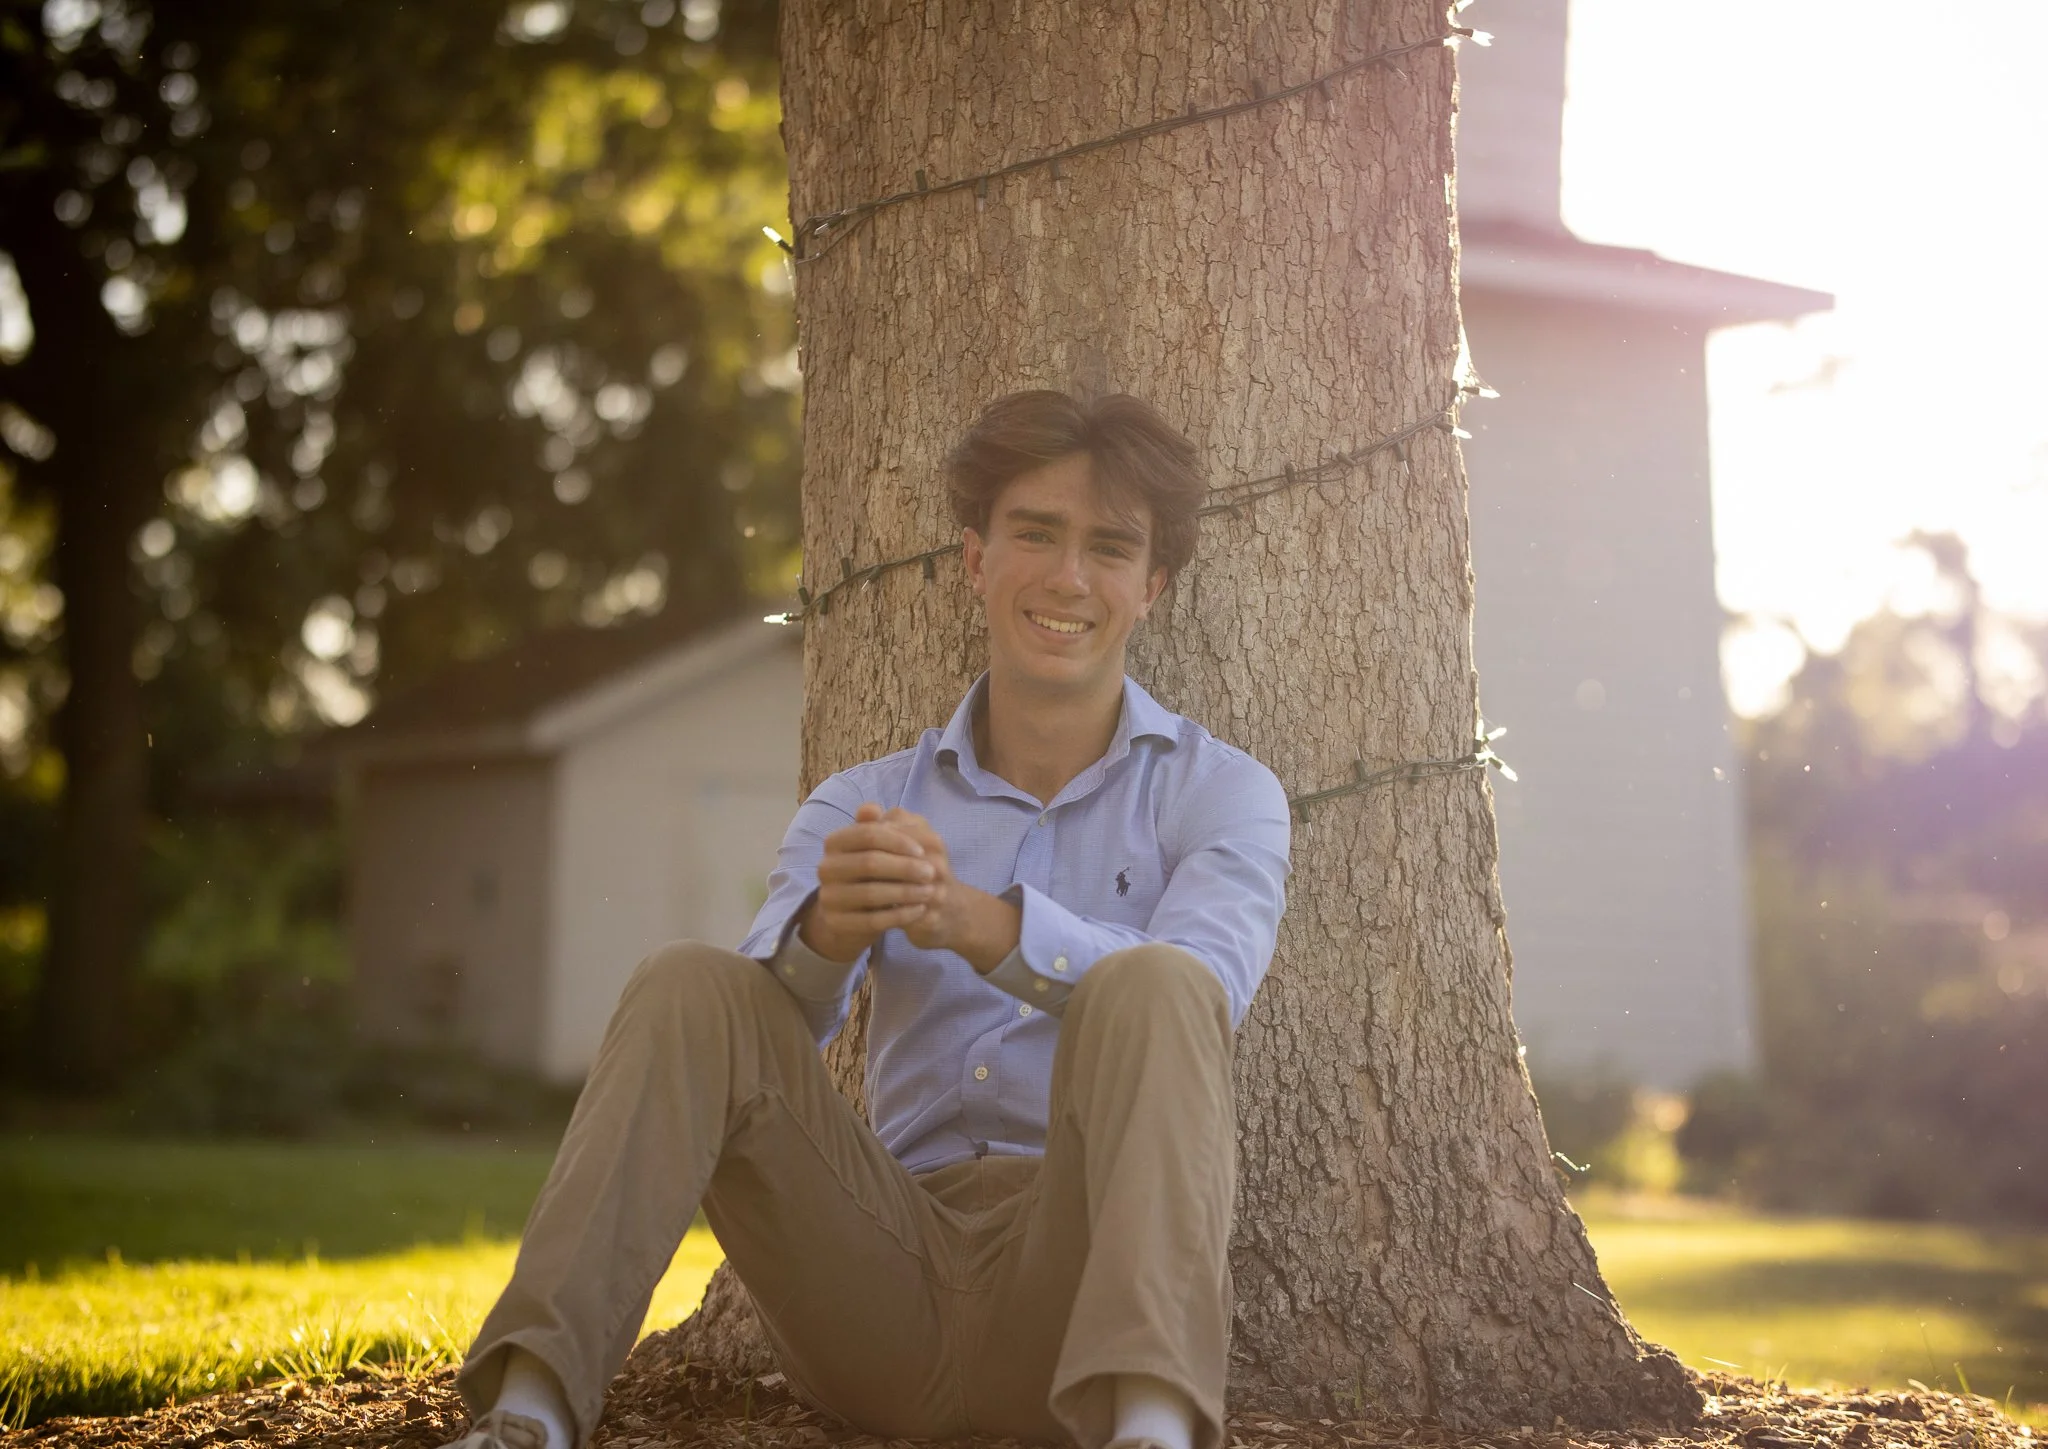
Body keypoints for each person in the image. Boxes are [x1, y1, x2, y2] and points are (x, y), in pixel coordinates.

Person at [443, 390, 1292, 1449]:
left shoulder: (1223, 793)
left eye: (1109, 548)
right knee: (688, 981)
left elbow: (1204, 996)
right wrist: (826, 936)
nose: (1069, 576)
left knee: (1161, 983)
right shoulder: (861, 801)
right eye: (1035, 533)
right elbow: (757, 1040)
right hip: (880, 1273)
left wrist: (983, 925)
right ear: (975, 560)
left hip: (1078, 1286)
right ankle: (526, 1415)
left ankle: (1154, 1435)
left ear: (1150, 587)